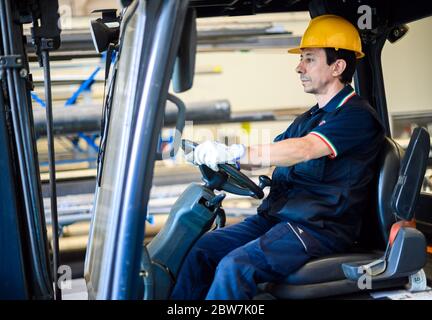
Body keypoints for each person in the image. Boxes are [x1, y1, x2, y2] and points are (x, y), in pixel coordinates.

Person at [170, 14, 385, 300]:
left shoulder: (356, 116)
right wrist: (217, 155)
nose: (299, 67)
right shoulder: (309, 118)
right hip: (280, 217)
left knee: (236, 267)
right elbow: (272, 154)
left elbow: (305, 149)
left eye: (309, 59)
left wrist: (234, 153)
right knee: (202, 252)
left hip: (318, 228)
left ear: (338, 66)